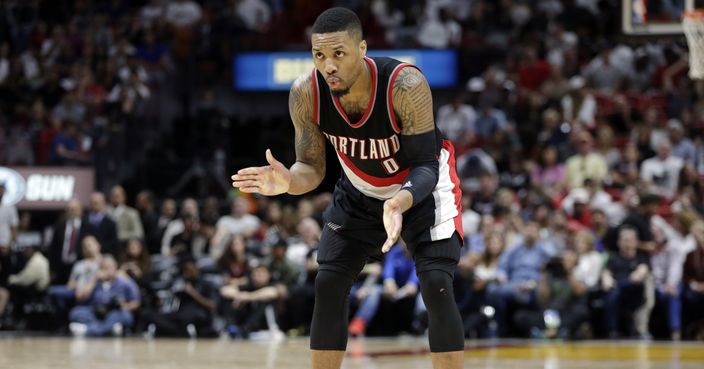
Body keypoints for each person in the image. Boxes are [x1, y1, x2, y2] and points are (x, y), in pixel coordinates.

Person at [231, 8, 464, 369]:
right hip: (360, 189)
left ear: (362, 49)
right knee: (328, 283)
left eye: (338, 54)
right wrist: (289, 182)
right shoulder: (306, 92)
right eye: (319, 56)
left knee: (436, 283)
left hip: (420, 189)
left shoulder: (405, 85)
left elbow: (425, 166)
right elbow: (311, 167)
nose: (329, 66)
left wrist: (399, 202)